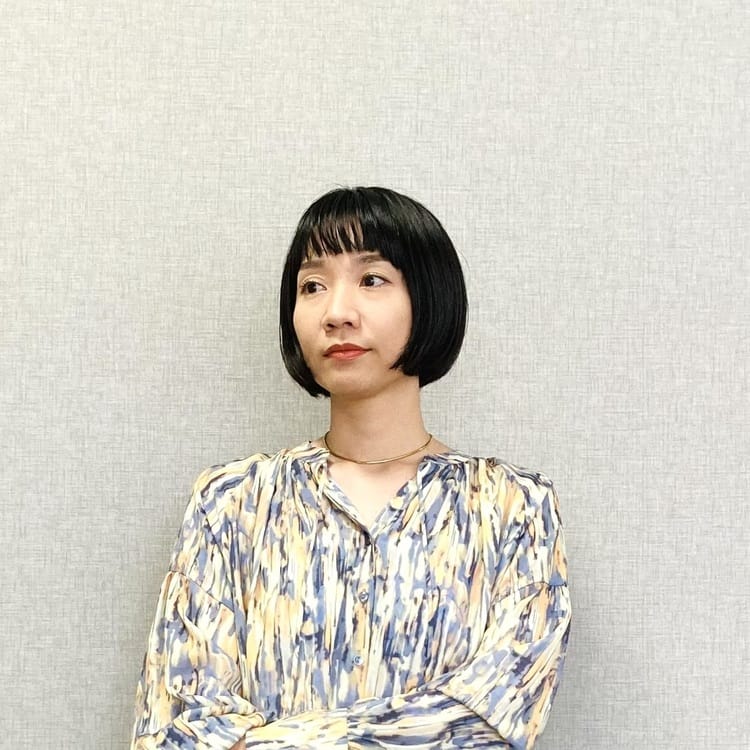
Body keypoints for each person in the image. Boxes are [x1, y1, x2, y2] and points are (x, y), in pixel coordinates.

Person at [130, 186, 572, 749]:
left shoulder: (513, 508)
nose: (337, 312)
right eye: (312, 286)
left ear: (430, 296)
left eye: (372, 279)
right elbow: (173, 728)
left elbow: (491, 719)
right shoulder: (233, 502)